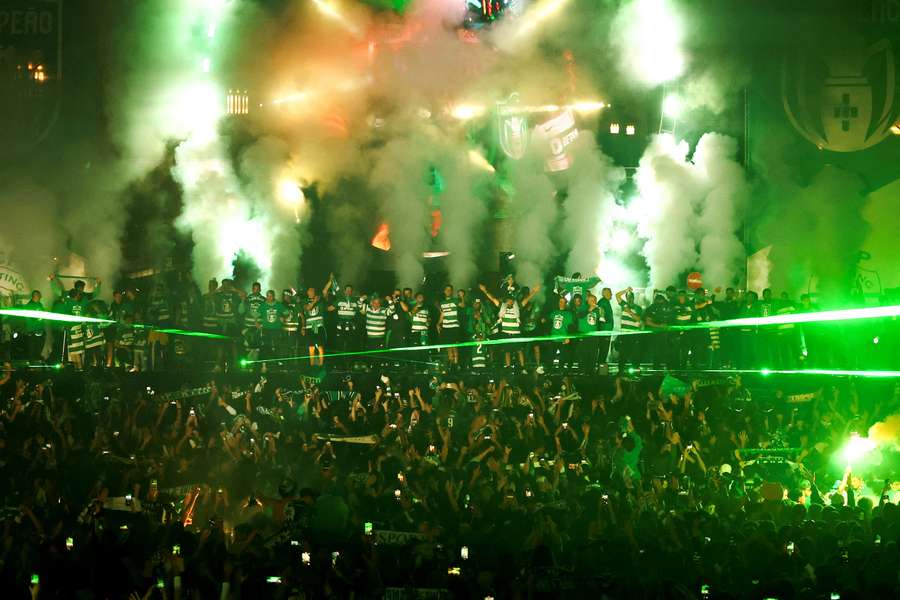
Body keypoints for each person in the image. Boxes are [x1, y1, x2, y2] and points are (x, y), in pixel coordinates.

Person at [479, 283, 539, 370]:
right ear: (506, 301)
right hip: (506, 333)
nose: (509, 302)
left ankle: (522, 367)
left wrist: (534, 291)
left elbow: (526, 299)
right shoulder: (502, 307)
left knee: (519, 351)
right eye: (508, 300)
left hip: (516, 333)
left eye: (511, 300)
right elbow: (493, 299)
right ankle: (508, 367)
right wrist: (485, 291)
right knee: (507, 351)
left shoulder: (517, 307)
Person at [303, 277, 332, 367]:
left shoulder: (320, 299)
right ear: (307, 292)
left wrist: (330, 281)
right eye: (310, 291)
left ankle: (320, 364)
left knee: (320, 346)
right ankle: (311, 364)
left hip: (319, 326)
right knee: (311, 347)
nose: (312, 292)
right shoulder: (304, 301)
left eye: (313, 291)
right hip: (309, 327)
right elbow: (308, 308)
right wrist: (314, 301)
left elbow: (325, 290)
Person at [615, 287, 643, 373]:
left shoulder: (638, 308)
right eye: (628, 297)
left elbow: (639, 320)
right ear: (626, 298)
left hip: (634, 334)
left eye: (631, 297)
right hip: (624, 335)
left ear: (634, 298)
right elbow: (617, 295)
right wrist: (626, 290)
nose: (630, 299)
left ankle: (635, 373)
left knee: (635, 355)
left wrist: (629, 312)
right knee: (623, 355)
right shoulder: (624, 305)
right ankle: (620, 373)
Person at [437, 285, 462, 369]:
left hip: (454, 325)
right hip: (446, 327)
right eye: (446, 290)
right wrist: (438, 323)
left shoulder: (455, 300)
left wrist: (461, 297)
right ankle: (451, 363)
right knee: (448, 346)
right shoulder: (442, 302)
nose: (448, 291)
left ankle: (456, 363)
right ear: (444, 291)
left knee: (454, 345)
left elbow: (462, 305)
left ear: (452, 291)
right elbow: (443, 314)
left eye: (450, 290)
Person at [547, 295, 574, 369]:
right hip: (553, 337)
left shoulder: (568, 314)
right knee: (550, 356)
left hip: (563, 338)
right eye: (560, 301)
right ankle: (549, 371)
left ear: (566, 303)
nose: (561, 303)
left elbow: (570, 327)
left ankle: (561, 372)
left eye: (563, 302)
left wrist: (568, 337)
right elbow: (548, 324)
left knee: (562, 358)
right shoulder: (553, 312)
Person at [21, 290, 46, 363]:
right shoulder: (29, 306)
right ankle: (32, 367)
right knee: (32, 350)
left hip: (39, 331)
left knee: (38, 349)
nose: (40, 297)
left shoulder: (40, 305)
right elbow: (30, 319)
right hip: (33, 332)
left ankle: (36, 364)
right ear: (35, 296)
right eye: (39, 295)